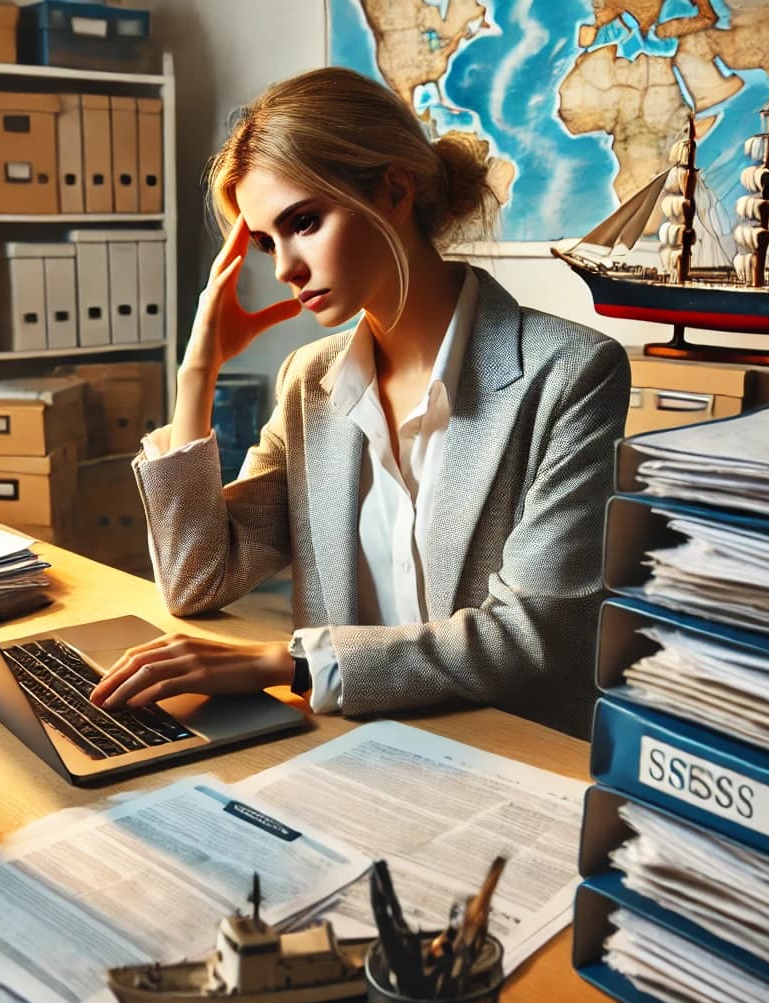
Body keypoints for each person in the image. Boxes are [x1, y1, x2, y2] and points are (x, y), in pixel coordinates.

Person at [90, 66, 630, 739]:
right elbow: (199, 579)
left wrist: (279, 662)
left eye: (304, 222)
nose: (284, 267)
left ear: (396, 191)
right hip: (351, 751)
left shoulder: (571, 375)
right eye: (265, 242)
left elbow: (528, 639)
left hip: (508, 756)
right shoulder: (309, 383)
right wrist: (197, 371)